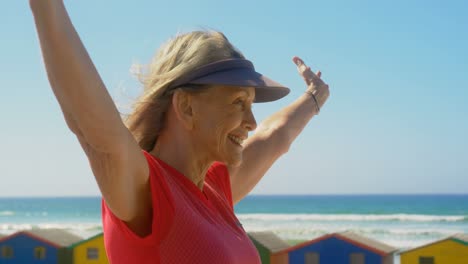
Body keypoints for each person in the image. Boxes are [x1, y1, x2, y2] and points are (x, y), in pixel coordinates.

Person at [30, 1, 329, 263]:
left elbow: (274, 137)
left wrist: (314, 96)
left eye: (251, 104)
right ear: (186, 107)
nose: (251, 121)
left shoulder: (215, 190)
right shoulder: (148, 193)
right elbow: (90, 125)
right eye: (239, 102)